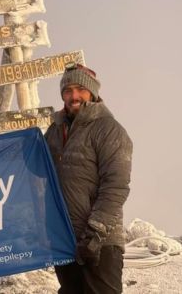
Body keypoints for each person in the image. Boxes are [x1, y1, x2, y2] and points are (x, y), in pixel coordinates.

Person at [44, 63, 133, 293]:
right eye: (68, 90)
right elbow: (38, 173)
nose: (74, 96)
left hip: (100, 242)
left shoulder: (109, 130)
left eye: (80, 89)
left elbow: (116, 186)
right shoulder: (54, 131)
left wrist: (95, 233)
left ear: (92, 92)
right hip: (65, 241)